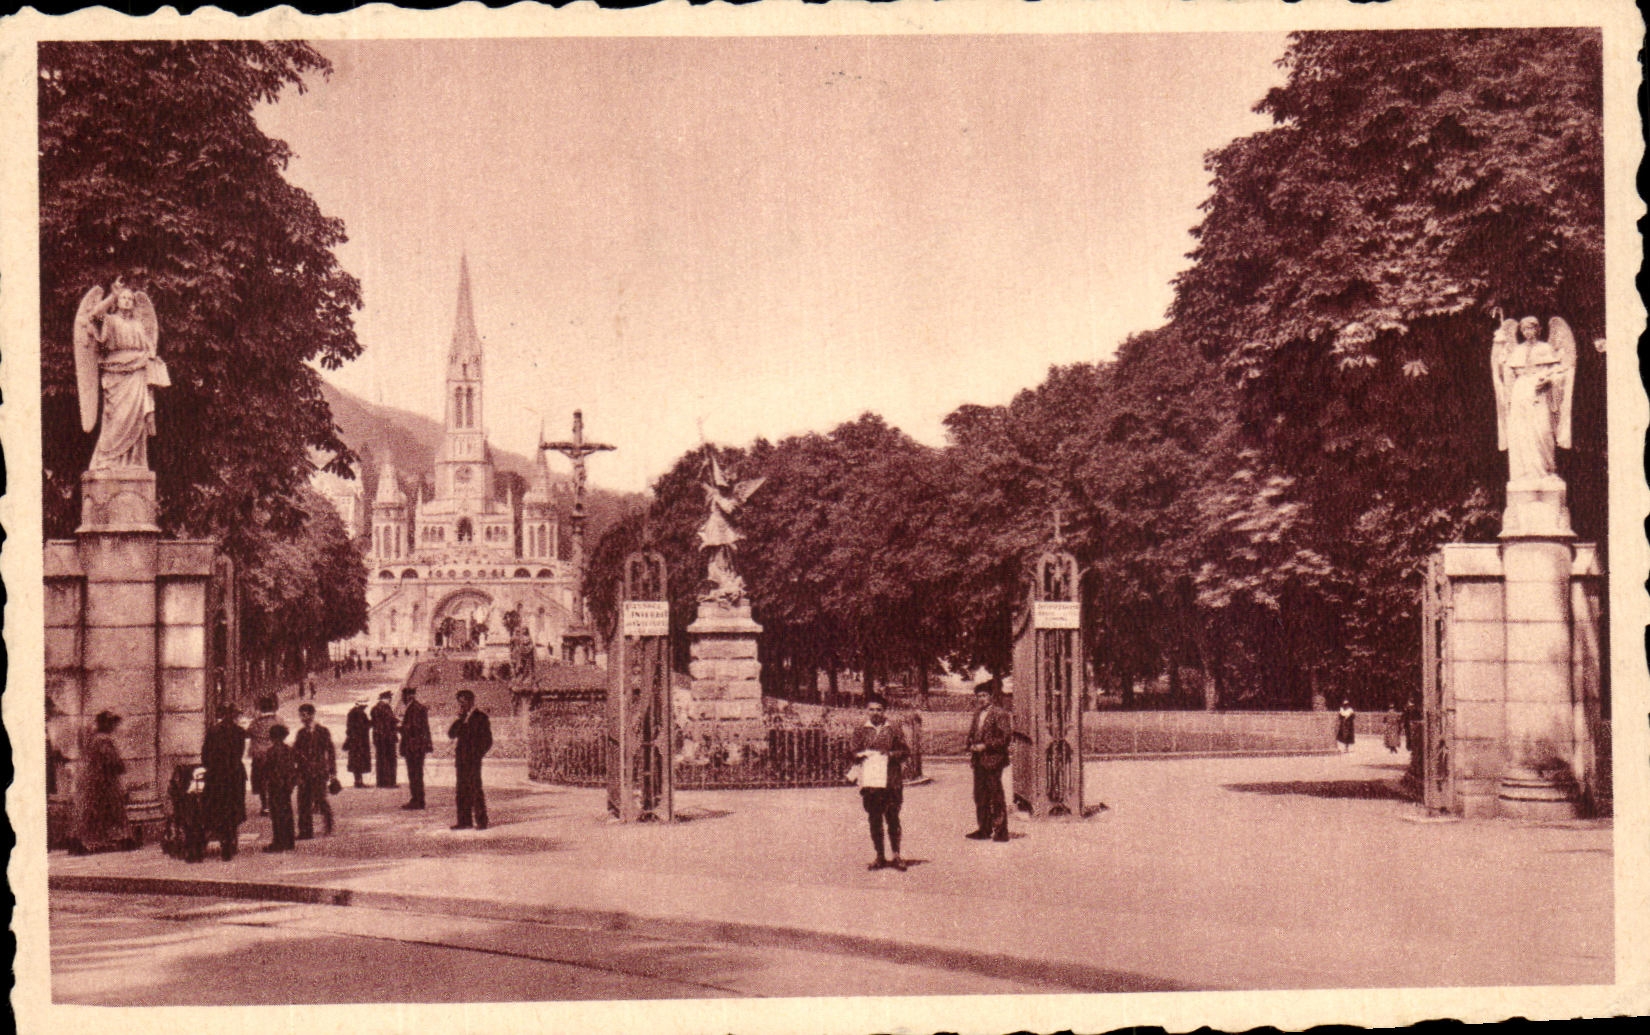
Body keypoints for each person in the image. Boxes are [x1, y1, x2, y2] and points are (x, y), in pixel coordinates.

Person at [851, 695, 910, 871]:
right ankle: (879, 855)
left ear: (884, 711)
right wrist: (861, 755)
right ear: (867, 710)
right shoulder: (861, 729)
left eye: (879, 709)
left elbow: (905, 751)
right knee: (874, 819)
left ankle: (897, 855)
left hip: (891, 780)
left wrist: (890, 755)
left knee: (893, 817)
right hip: (870, 781)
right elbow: (852, 751)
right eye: (872, 709)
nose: (875, 713)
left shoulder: (894, 728)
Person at [69, 711, 132, 854]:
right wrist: (121, 768)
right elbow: (112, 761)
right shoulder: (103, 740)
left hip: (96, 780)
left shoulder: (94, 739)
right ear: (107, 725)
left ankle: (90, 841)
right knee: (104, 811)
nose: (115, 727)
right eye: (112, 724)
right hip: (102, 782)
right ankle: (93, 842)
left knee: (95, 811)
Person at [966, 684, 1013, 842]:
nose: (981, 699)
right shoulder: (978, 713)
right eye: (979, 696)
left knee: (995, 795)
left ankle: (1001, 831)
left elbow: (1005, 738)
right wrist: (970, 744)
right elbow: (973, 733)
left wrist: (986, 745)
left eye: (984, 695)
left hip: (993, 760)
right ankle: (984, 829)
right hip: (978, 760)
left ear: (991, 696)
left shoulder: (1000, 714)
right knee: (980, 796)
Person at [200, 704, 248, 861]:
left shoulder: (213, 731)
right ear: (234, 716)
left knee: (218, 807)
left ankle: (223, 839)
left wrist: (212, 768)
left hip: (217, 776)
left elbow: (205, 756)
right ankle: (231, 839)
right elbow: (240, 754)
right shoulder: (240, 732)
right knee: (233, 808)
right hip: (234, 774)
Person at [448, 689, 493, 830]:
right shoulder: (462, 718)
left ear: (470, 701)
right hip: (461, 760)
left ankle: (481, 821)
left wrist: (477, 754)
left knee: (475, 789)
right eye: (459, 703)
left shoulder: (481, 717)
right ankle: (464, 821)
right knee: (461, 790)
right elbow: (451, 734)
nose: (461, 706)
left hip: (473, 760)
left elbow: (488, 741)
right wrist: (460, 719)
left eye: (463, 702)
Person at [293, 704, 336, 839]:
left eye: (306, 715)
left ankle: (328, 825)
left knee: (321, 799)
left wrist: (332, 771)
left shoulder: (323, 731)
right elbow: (296, 752)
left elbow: (330, 751)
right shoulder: (300, 733)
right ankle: (305, 832)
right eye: (301, 715)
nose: (303, 718)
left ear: (312, 715)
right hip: (304, 772)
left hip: (319, 771)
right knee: (303, 801)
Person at [262, 725, 299, 853]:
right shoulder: (289, 750)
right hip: (286, 786)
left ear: (272, 737)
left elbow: (267, 770)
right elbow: (294, 767)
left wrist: (266, 783)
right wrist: (291, 783)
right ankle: (289, 841)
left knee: (277, 815)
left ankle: (278, 842)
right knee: (287, 812)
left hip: (275, 786)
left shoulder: (271, 751)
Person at [246, 695, 281, 815]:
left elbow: (248, 733)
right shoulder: (277, 720)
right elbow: (285, 730)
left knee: (261, 781)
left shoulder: (256, 722)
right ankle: (273, 803)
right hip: (274, 754)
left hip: (259, 755)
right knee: (274, 780)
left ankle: (265, 806)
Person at [400, 686, 433, 810]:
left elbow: (413, 727)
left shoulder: (414, 708)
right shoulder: (418, 707)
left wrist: (399, 727)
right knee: (416, 774)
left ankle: (417, 800)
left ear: (408, 696)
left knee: (414, 774)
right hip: (418, 746)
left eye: (404, 697)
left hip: (414, 746)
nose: (403, 699)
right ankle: (417, 799)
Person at [371, 690, 400, 788]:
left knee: (381, 759)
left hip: (379, 738)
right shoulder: (385, 708)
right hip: (387, 738)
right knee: (389, 760)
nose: (391, 700)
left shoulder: (375, 708)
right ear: (386, 699)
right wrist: (398, 722)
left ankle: (381, 782)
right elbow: (390, 720)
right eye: (389, 698)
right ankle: (389, 782)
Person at [343, 698, 373, 787]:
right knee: (358, 762)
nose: (365, 708)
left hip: (355, 741)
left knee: (357, 762)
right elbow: (362, 727)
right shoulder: (358, 713)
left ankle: (358, 781)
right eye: (364, 706)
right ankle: (358, 782)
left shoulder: (353, 712)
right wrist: (371, 723)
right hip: (358, 742)